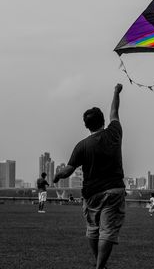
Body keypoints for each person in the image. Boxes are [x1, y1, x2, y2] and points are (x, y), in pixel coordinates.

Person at [53, 84, 125, 269]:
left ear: (86, 126)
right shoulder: (114, 132)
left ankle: (99, 265)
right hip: (114, 190)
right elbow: (114, 111)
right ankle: (100, 266)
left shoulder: (82, 146)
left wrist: (56, 176)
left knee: (93, 230)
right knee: (107, 231)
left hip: (92, 193)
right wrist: (116, 92)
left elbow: (68, 170)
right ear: (103, 121)